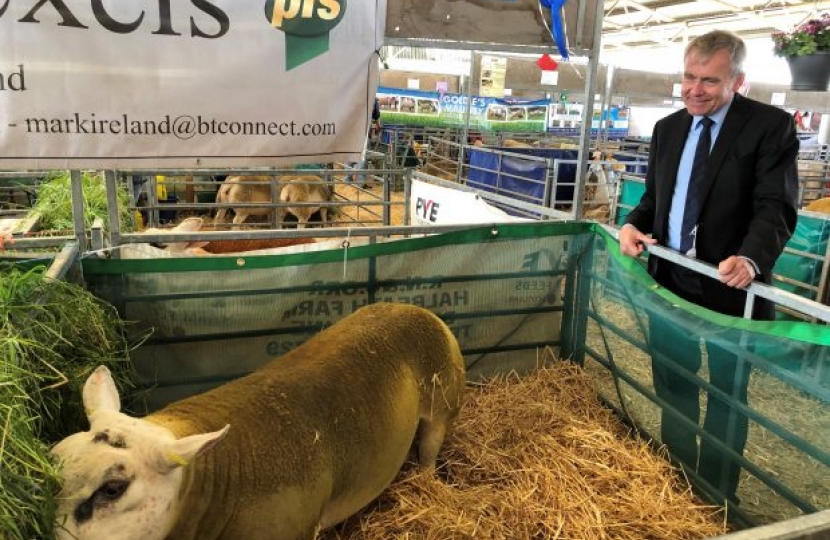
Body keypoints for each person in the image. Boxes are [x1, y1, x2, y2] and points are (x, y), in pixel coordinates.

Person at [618, 30, 799, 503]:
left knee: (727, 394)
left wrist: (752, 257)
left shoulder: (769, 127)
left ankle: (716, 494)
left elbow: (775, 205)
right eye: (689, 77)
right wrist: (630, 225)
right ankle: (677, 479)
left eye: (710, 81)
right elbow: (656, 200)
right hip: (672, 278)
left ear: (737, 81)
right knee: (674, 380)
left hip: (732, 287)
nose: (695, 89)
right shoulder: (668, 128)